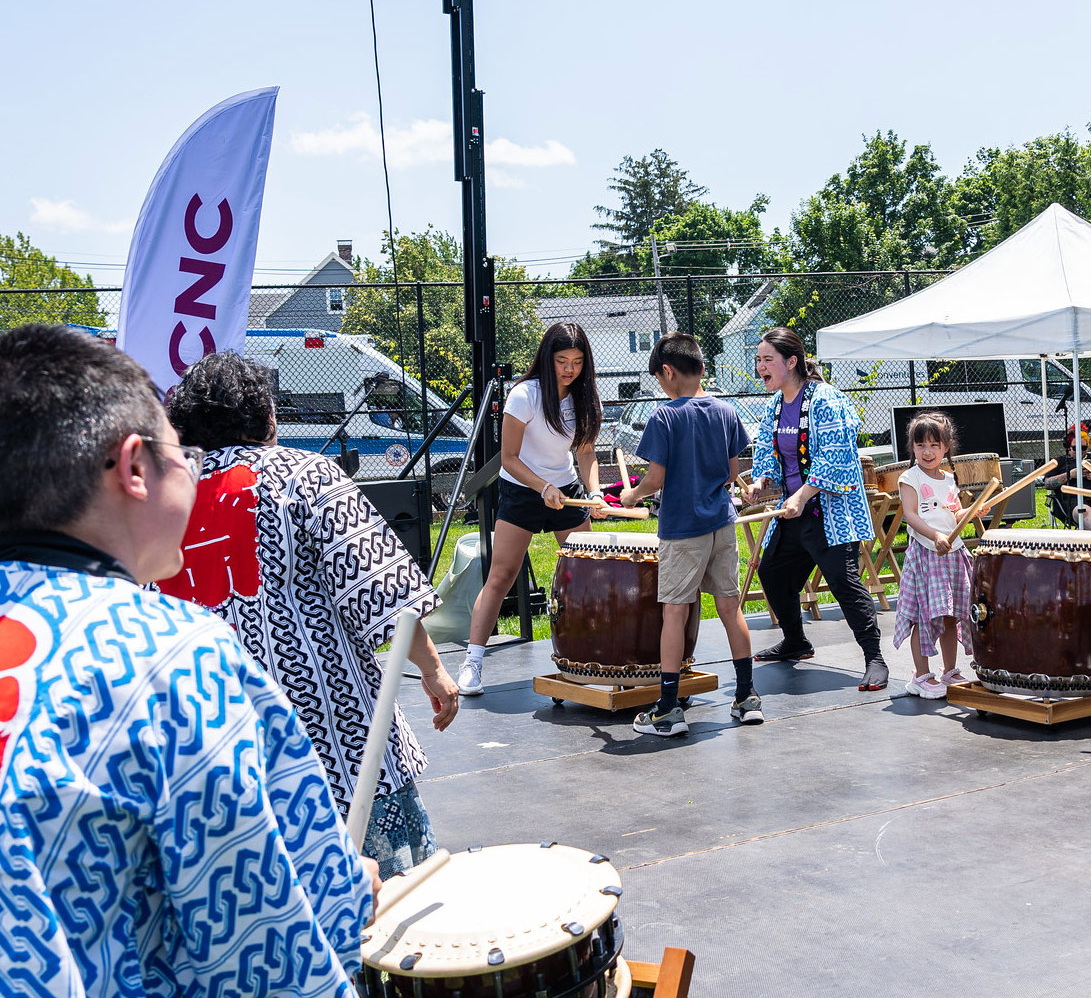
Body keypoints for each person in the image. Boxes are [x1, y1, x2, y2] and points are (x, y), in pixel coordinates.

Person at [0, 326, 386, 998]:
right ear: (132, 466)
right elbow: (260, 954)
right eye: (182, 454)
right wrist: (350, 888)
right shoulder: (170, 653)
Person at [161, 350, 459, 878]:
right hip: (330, 740)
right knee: (390, 910)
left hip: (214, 756)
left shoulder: (163, 499)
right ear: (266, 417)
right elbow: (385, 590)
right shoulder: (305, 475)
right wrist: (433, 671)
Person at [619, 333, 762, 736]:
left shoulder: (665, 417)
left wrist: (632, 494)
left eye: (659, 380)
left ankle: (667, 710)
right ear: (700, 366)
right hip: (722, 524)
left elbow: (656, 477)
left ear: (667, 372)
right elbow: (733, 473)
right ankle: (747, 697)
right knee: (730, 608)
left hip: (682, 531)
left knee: (675, 614)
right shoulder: (726, 411)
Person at [459, 322, 612, 695]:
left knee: (588, 575)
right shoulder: (524, 395)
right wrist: (541, 486)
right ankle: (473, 662)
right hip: (522, 490)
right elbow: (508, 459)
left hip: (566, 488)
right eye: (562, 360)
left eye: (577, 361)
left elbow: (586, 453)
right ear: (547, 358)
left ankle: (595, 655)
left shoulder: (585, 397)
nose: (569, 369)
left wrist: (594, 494)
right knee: (501, 576)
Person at [746, 327, 889, 691]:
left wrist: (803, 494)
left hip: (830, 512)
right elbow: (768, 455)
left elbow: (837, 458)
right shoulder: (775, 405)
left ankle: (874, 657)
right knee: (773, 573)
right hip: (792, 511)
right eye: (758, 359)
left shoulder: (826, 399)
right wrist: (762, 482)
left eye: (767, 360)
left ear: (791, 361)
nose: (759, 366)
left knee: (844, 583)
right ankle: (796, 640)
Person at [892, 411, 973, 698]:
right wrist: (935, 536)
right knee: (924, 617)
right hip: (927, 555)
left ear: (946, 447)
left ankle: (949, 671)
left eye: (934, 445)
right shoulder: (909, 478)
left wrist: (970, 513)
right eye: (921, 445)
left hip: (952, 553)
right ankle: (921, 675)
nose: (927, 451)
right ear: (912, 447)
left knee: (951, 614)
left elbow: (951, 515)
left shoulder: (949, 478)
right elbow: (911, 516)